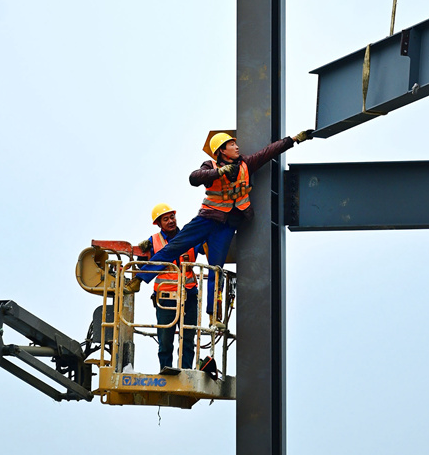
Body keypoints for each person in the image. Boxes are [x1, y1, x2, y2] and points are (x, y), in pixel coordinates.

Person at [127, 129, 313, 328]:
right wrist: (220, 172)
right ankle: (140, 278)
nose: (237, 146)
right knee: (173, 248)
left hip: (226, 226)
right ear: (222, 151)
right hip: (206, 220)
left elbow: (268, 152)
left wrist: (294, 139)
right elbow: (194, 177)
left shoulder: (245, 164)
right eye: (232, 144)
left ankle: (213, 316)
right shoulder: (211, 166)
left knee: (216, 270)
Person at [137, 203, 200, 372]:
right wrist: (140, 252)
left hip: (188, 295)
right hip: (165, 298)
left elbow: (205, 245)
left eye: (172, 217)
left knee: (188, 335)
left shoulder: (190, 237)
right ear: (159, 223)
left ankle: (186, 369)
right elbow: (141, 263)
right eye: (166, 219)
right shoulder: (153, 242)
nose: (171, 221)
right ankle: (165, 368)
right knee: (165, 338)